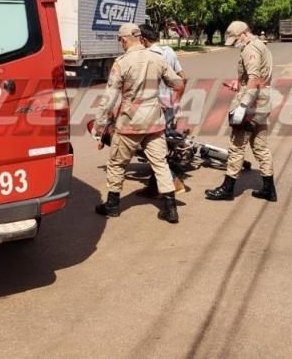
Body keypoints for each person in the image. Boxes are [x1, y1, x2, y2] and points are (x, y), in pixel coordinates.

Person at [93, 23, 185, 224]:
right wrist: (167, 101)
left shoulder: (121, 63)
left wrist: (99, 127)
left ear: (124, 39)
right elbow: (178, 83)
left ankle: (113, 206)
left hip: (129, 123)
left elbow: (108, 99)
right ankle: (170, 209)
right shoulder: (157, 58)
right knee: (160, 163)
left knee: (117, 163)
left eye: (120, 40)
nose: (121, 44)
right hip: (155, 122)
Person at [205, 21, 277, 202]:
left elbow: (253, 78)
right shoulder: (261, 45)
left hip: (251, 104)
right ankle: (269, 189)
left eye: (235, 39)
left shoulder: (250, 49)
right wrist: (239, 83)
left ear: (244, 34)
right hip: (262, 100)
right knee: (260, 146)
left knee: (236, 146)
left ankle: (228, 189)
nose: (235, 43)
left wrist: (243, 105)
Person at [137, 23, 187, 198]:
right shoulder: (169, 51)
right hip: (169, 106)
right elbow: (182, 77)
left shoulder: (146, 56)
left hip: (153, 108)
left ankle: (173, 182)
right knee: (158, 145)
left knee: (150, 146)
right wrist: (176, 100)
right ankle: (154, 186)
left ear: (142, 39)